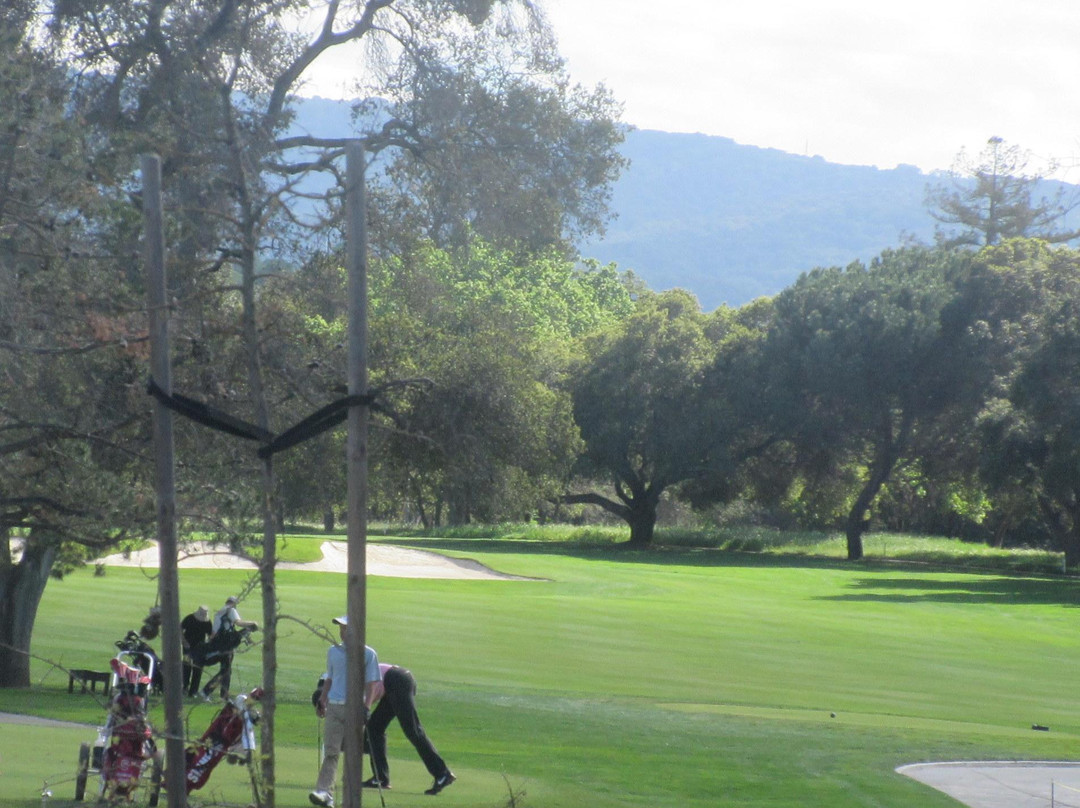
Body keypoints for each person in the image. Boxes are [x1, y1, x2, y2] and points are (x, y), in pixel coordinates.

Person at [310, 615, 381, 808]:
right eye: (340, 628)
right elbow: (330, 679)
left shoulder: (368, 654)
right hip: (334, 706)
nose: (341, 632)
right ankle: (325, 793)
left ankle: (349, 799)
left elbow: (372, 683)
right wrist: (322, 700)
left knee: (352, 755)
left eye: (345, 628)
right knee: (331, 752)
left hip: (354, 709)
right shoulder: (333, 652)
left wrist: (367, 707)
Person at [364, 662, 456, 796]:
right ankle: (380, 778)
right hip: (393, 682)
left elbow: (363, 707)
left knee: (413, 730)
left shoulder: (353, 684)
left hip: (397, 680)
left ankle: (442, 773)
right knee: (374, 727)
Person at [199, 595, 258, 701]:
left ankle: (224, 695)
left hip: (219, 644)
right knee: (225, 671)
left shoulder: (220, 612)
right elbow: (238, 623)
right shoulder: (231, 610)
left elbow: (213, 633)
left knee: (227, 670)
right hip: (227, 645)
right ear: (234, 603)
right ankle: (206, 691)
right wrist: (252, 623)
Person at [180, 605, 212, 695]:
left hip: (200, 648)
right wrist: (184, 641)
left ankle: (193, 691)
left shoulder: (207, 622)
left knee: (198, 669)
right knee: (186, 667)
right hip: (187, 647)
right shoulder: (189, 618)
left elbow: (210, 636)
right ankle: (184, 687)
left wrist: (207, 646)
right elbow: (180, 629)